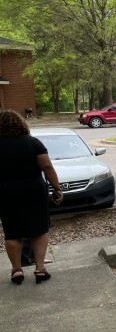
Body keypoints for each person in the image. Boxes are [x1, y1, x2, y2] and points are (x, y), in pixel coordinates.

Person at [0, 110, 62, 284]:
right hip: (33, 190)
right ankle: (40, 269)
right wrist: (57, 188)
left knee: (12, 231)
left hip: (5, 191)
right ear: (21, 124)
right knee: (39, 229)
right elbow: (47, 167)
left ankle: (17, 270)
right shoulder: (33, 143)